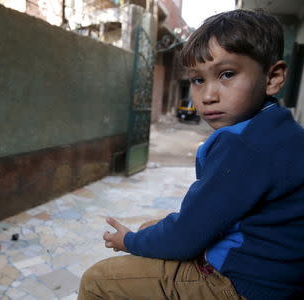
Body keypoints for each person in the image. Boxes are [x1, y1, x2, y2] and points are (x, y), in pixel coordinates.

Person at [78, 9, 304, 300]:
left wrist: (129, 241)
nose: (208, 95)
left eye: (227, 74)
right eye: (197, 80)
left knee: (98, 280)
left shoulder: (243, 146)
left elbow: (185, 238)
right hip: (274, 274)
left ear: (272, 77)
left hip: (243, 284)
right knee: (154, 227)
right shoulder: (280, 128)